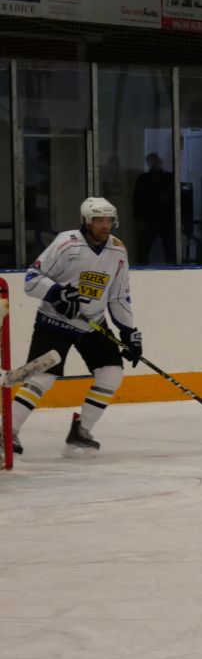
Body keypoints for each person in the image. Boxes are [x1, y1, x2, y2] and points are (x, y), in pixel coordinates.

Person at [9, 197, 143, 455]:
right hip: (54, 322)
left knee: (111, 373)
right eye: (99, 220)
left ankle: (81, 430)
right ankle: (8, 430)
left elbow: (118, 296)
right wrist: (57, 294)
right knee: (43, 377)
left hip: (92, 325)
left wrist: (129, 332)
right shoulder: (66, 243)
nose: (105, 225)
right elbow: (32, 279)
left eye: (109, 220)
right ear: (87, 221)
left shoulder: (117, 250)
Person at [132, 152, 176, 265]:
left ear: (160, 162)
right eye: (152, 162)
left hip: (167, 217)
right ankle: (141, 266)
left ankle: (173, 265)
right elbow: (137, 200)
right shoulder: (143, 179)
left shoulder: (169, 178)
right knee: (144, 246)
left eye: (156, 161)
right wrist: (138, 219)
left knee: (170, 246)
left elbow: (176, 198)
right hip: (149, 218)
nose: (154, 164)